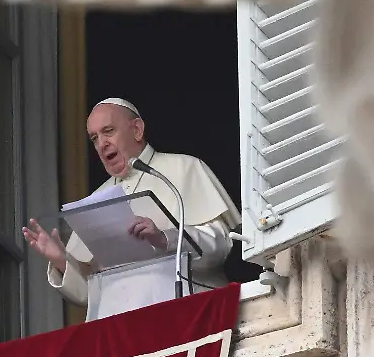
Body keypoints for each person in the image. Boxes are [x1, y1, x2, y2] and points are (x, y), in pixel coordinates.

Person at [23, 98, 238, 317]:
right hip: (119, 332)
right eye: (94, 138)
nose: (101, 144)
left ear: (136, 130)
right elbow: (90, 293)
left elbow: (220, 244)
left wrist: (166, 239)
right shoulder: (96, 200)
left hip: (187, 317)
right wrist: (61, 260)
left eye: (108, 131)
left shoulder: (184, 168)